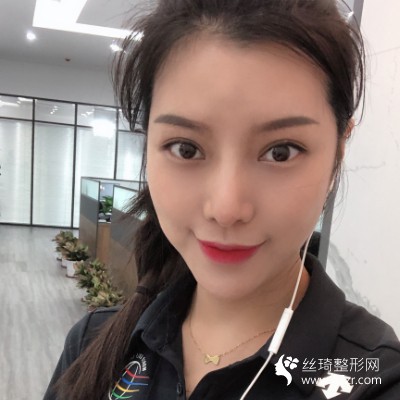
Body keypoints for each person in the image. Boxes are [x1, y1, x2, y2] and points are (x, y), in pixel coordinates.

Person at [44, 0, 400, 399]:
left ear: (338, 151)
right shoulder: (91, 344)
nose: (226, 209)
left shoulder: (373, 379)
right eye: (186, 148)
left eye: (281, 152)